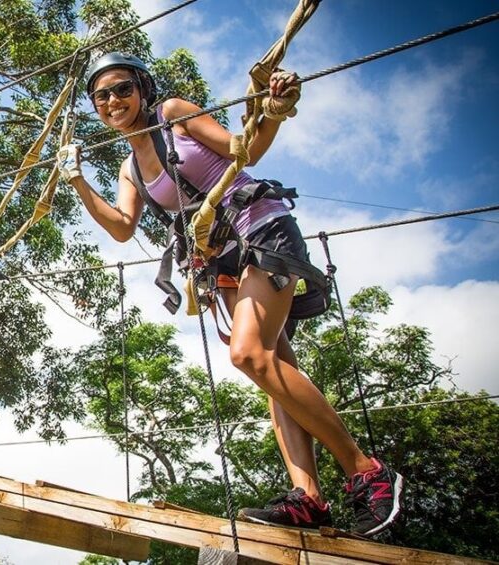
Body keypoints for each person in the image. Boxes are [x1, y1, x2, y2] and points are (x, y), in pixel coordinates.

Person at [56, 52, 403, 536]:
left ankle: (368, 473)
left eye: (122, 89)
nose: (113, 100)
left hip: (260, 231)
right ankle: (309, 498)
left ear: (141, 89)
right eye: (102, 96)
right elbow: (120, 226)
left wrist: (274, 107)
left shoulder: (173, 114)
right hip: (222, 262)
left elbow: (246, 150)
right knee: (274, 371)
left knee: (249, 355)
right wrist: (75, 180)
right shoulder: (129, 168)